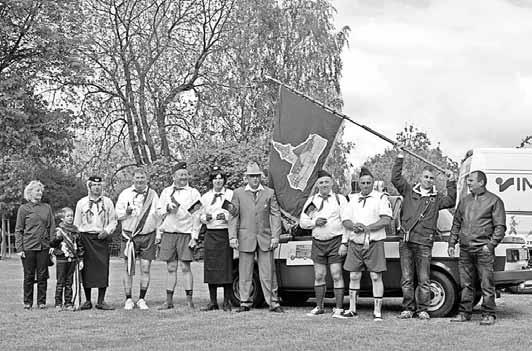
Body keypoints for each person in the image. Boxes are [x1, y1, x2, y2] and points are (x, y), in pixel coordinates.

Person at [392, 149, 456, 320]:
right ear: (420, 178)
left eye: (431, 178)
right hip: (406, 241)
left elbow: (451, 200)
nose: (428, 180)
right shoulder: (408, 191)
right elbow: (396, 178)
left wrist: (451, 181)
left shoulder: (437, 199)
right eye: (426, 177)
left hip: (425, 243)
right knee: (406, 278)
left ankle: (422, 310)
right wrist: (400, 157)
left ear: (434, 181)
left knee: (424, 279)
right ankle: (407, 309)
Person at [448, 170, 506, 325]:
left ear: (481, 182)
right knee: (465, 284)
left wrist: (490, 245)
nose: (468, 183)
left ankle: (489, 314)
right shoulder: (465, 201)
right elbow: (456, 223)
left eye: (471, 180)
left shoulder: (494, 201)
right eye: (468, 180)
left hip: (483, 250)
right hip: (465, 249)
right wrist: (452, 243)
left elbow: (500, 227)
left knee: (486, 284)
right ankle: (464, 313)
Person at [229, 161, 284, 313]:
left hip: (265, 238)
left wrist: (275, 236)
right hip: (245, 237)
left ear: (261, 177)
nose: (255, 179)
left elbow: (275, 215)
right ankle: (244, 302)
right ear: (246, 177)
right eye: (252, 176)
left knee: (268, 272)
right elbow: (233, 216)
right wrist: (232, 237)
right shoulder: (237, 193)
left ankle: (273, 302)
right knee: (244, 272)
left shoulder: (269, 193)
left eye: (257, 176)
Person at [341, 167, 392, 320]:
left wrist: (367, 228)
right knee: (354, 275)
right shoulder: (352, 198)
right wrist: (354, 226)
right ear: (359, 183)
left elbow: (386, 220)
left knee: (376, 276)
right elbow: (345, 220)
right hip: (355, 243)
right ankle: (352, 308)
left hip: (373, 242)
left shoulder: (381, 197)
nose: (366, 185)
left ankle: (377, 311)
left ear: (373, 183)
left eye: (369, 182)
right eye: (363, 182)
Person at [300, 170, 348, 318]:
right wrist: (315, 222)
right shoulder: (312, 201)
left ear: (332, 182)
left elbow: (347, 223)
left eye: (327, 181)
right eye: (321, 182)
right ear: (317, 185)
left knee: (336, 274)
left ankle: (339, 308)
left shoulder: (340, 199)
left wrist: (344, 243)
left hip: (335, 242)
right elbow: (303, 222)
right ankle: (319, 307)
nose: (324, 185)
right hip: (318, 242)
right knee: (319, 275)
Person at [157, 161, 202, 309]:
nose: (183, 177)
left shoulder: (193, 193)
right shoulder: (166, 192)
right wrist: (167, 208)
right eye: (180, 175)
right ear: (173, 176)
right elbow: (157, 212)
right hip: (169, 234)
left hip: (185, 234)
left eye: (185, 174)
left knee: (185, 267)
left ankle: (189, 301)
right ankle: (168, 301)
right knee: (171, 267)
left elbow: (198, 216)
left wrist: (194, 237)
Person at [115, 168, 160, 310]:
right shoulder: (125, 194)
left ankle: (142, 299)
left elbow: (158, 215)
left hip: (148, 235)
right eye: (137, 177)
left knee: (146, 268)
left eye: (142, 178)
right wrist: (126, 213)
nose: (140, 180)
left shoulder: (153, 195)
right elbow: (118, 215)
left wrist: (158, 234)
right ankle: (128, 299)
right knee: (128, 268)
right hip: (130, 236)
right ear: (133, 179)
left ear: (146, 179)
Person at [74, 175, 117, 310]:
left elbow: (113, 221)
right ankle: (87, 301)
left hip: (101, 238)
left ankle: (101, 301)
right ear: (89, 186)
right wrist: (76, 238)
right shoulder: (81, 203)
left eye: (99, 185)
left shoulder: (108, 202)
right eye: (94, 185)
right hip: (85, 238)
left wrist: (107, 231)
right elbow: (76, 223)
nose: (97, 187)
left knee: (102, 269)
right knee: (85, 269)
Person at [15, 180, 55, 310]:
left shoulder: (47, 208)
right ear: (30, 192)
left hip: (44, 246)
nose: (40, 193)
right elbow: (19, 229)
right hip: (28, 247)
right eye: (38, 190)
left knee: (43, 275)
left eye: (41, 191)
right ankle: (27, 302)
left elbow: (51, 227)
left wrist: (52, 244)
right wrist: (19, 248)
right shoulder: (23, 209)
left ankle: (41, 302)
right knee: (29, 275)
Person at [199, 166, 234, 312]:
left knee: (226, 268)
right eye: (215, 178)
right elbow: (199, 215)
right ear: (211, 181)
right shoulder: (205, 197)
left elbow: (236, 212)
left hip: (225, 233)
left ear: (224, 180)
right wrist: (204, 218)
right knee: (210, 268)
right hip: (211, 233)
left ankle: (227, 301)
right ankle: (213, 301)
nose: (218, 181)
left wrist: (225, 217)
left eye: (220, 178)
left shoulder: (231, 195)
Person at [50, 207, 84, 311]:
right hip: (62, 259)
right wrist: (58, 238)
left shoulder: (75, 231)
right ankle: (58, 303)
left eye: (72, 216)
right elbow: (52, 244)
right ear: (62, 218)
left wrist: (81, 258)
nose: (70, 218)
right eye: (68, 216)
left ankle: (68, 303)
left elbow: (79, 246)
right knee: (60, 282)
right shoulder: (58, 230)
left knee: (69, 282)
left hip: (72, 259)